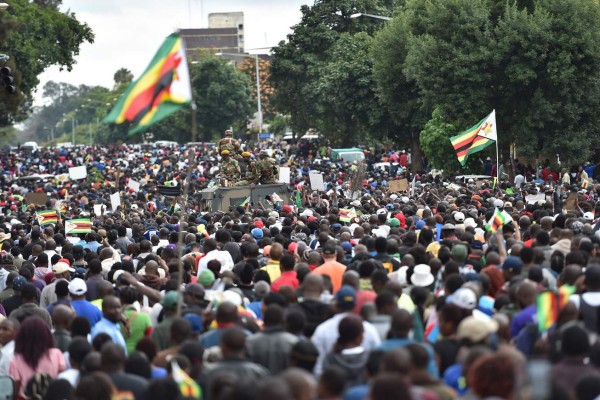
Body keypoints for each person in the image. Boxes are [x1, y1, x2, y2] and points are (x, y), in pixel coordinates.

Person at [9, 316, 65, 398]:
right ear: (47, 334)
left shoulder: (16, 361)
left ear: (22, 337)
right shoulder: (57, 354)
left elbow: (15, 390)